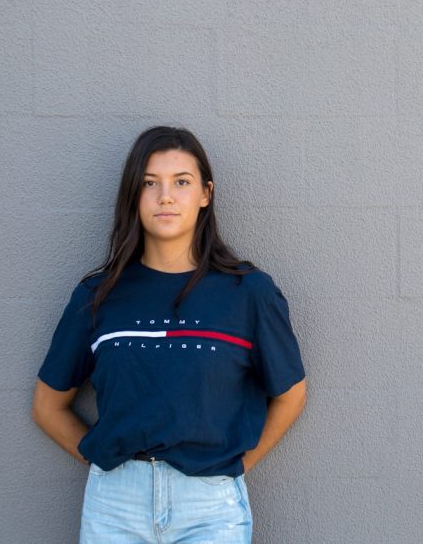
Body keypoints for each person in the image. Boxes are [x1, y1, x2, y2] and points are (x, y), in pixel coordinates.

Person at [30, 125, 307, 543]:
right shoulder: (98, 296)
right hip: (114, 508)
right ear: (133, 196)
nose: (165, 196)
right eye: (149, 183)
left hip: (210, 509)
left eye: (181, 182)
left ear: (205, 194)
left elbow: (291, 394)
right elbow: (48, 406)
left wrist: (231, 468)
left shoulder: (249, 293)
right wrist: (107, 465)